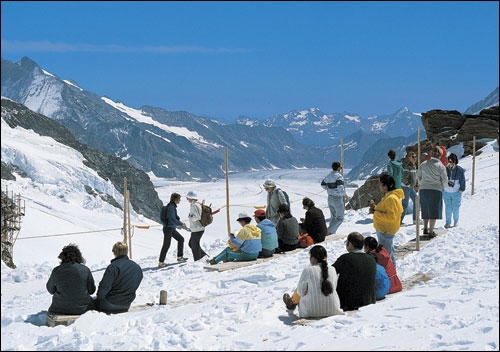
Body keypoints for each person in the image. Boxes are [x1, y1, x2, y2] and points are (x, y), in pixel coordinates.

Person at [282, 245, 344, 318]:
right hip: (333, 310)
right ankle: (291, 302)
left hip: (311, 312)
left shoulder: (308, 270)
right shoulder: (333, 269)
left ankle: (292, 302)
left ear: (314, 259)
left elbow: (301, 292)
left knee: (300, 288)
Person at [46, 244, 96, 315]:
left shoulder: (56, 270)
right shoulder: (85, 270)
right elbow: (91, 290)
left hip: (59, 309)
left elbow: (50, 290)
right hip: (83, 309)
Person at [332, 232, 377, 311]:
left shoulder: (345, 258)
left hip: (349, 303)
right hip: (368, 302)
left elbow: (331, 272)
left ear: (351, 244)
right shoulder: (371, 259)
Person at [94, 242, 143, 314]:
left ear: (115, 252)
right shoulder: (136, 267)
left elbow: (104, 287)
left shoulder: (113, 267)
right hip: (126, 304)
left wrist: (99, 299)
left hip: (109, 304)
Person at [368, 174, 404, 268]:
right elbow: (385, 210)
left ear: (386, 186)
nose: (379, 186)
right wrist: (375, 209)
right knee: (389, 253)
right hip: (385, 229)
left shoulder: (391, 198)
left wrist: (375, 213)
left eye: (381, 184)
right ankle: (392, 274)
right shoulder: (390, 196)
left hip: (386, 230)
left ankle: (390, 276)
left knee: (385, 255)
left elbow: (391, 217)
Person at [417, 146, 448, 238]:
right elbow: (445, 179)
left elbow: (418, 176)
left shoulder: (424, 164)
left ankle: (425, 228)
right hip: (435, 189)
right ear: (440, 155)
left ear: (431, 154)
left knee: (425, 208)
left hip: (424, 189)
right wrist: (442, 187)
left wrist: (422, 183)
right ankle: (431, 230)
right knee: (433, 210)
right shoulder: (441, 166)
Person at [159, 192, 188, 267]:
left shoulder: (171, 206)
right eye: (179, 199)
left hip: (170, 228)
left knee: (181, 239)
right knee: (166, 245)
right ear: (175, 199)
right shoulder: (171, 207)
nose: (180, 201)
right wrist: (181, 223)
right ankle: (161, 262)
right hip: (169, 228)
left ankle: (180, 257)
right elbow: (172, 219)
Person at [321, 161, 349, 236]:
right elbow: (340, 187)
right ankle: (329, 231)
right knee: (340, 217)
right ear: (338, 168)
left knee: (333, 216)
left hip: (330, 197)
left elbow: (322, 185)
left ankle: (331, 232)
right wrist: (345, 195)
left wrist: (329, 189)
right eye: (340, 167)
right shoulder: (339, 176)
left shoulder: (329, 175)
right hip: (337, 198)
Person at [443, 153, 466, 228]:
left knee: (455, 207)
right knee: (448, 207)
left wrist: (461, 190)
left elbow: (462, 180)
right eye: (449, 161)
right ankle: (448, 222)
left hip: (456, 192)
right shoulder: (445, 169)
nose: (451, 163)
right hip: (446, 192)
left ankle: (456, 221)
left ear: (455, 161)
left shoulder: (459, 170)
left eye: (452, 161)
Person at [185, 191, 208, 261]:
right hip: (198, 228)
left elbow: (197, 217)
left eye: (187, 198)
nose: (187, 199)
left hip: (197, 228)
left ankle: (197, 260)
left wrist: (189, 217)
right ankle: (204, 256)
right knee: (192, 244)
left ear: (191, 198)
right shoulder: (198, 204)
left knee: (194, 245)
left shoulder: (194, 205)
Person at [401, 151, 419, 225]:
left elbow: (414, 176)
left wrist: (416, 182)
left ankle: (415, 219)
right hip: (406, 187)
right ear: (409, 158)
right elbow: (404, 178)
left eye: (415, 156)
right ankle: (399, 221)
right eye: (413, 157)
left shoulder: (414, 166)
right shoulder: (407, 167)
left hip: (410, 188)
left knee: (416, 200)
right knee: (405, 205)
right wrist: (408, 184)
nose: (414, 158)